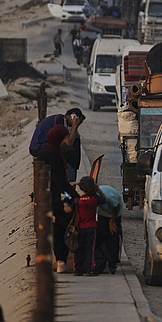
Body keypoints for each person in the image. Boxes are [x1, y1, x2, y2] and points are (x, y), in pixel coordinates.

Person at [33, 124, 73, 272]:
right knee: (62, 227)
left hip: (46, 195)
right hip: (56, 198)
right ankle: (62, 261)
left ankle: (57, 261)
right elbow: (60, 181)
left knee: (53, 229)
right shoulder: (53, 154)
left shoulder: (45, 151)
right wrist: (71, 197)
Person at [70, 176, 106, 275]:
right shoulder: (94, 199)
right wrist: (98, 189)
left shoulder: (77, 201)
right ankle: (89, 267)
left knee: (78, 248)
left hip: (79, 227)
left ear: (81, 188)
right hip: (91, 227)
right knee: (90, 248)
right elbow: (104, 199)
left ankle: (77, 268)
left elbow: (69, 209)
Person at [92, 183, 124, 275]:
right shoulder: (93, 199)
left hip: (115, 213)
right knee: (103, 235)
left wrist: (112, 221)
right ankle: (104, 259)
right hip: (103, 213)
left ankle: (113, 260)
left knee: (113, 234)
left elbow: (117, 206)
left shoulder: (108, 198)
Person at [59, 108, 85, 182]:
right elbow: (69, 142)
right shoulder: (67, 127)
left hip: (72, 163)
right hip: (69, 162)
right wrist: (74, 125)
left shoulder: (72, 129)